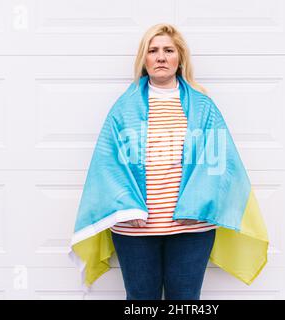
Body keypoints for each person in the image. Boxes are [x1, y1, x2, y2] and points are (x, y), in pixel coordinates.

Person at [69, 23, 269, 301]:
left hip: (192, 226)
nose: (160, 57)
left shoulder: (203, 106)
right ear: (145, 59)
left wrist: (197, 205)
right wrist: (128, 208)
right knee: (141, 300)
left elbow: (218, 162)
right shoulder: (123, 108)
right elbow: (108, 166)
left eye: (168, 50)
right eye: (153, 50)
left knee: (185, 299)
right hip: (135, 228)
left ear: (179, 59)